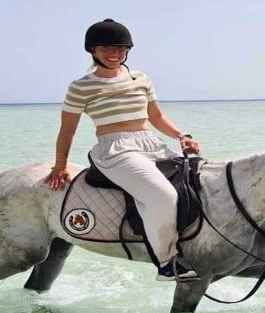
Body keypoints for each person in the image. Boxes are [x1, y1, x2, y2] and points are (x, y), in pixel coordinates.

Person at [46, 18, 201, 282]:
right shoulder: (80, 87)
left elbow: (156, 116)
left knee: (199, 180)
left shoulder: (140, 78)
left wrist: (181, 135)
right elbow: (67, 131)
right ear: (92, 50)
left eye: (120, 48)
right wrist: (60, 166)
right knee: (161, 194)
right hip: (115, 150)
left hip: (150, 143)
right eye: (106, 48)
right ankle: (166, 262)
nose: (114, 53)